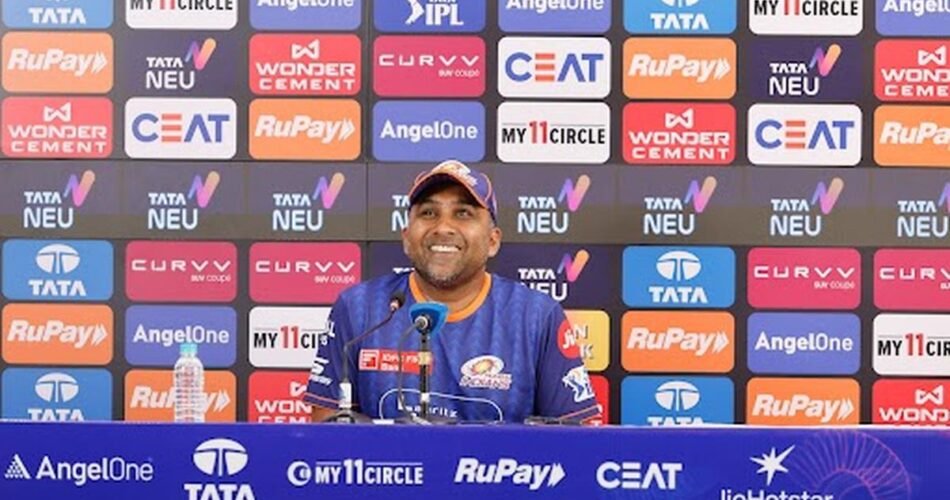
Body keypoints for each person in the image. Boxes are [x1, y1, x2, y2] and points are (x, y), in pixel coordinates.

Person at [305, 160, 602, 424]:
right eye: (428, 212)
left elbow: (576, 440)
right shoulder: (359, 308)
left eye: (463, 213)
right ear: (406, 238)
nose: (443, 227)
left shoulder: (536, 317)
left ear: (493, 241)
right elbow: (326, 433)